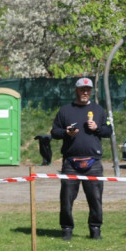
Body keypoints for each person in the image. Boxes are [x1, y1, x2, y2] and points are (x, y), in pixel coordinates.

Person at [51, 77, 113, 241]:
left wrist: (97, 128)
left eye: (88, 90)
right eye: (82, 89)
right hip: (71, 162)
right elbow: (54, 132)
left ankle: (95, 229)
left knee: (95, 199)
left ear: (91, 91)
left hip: (93, 162)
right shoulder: (65, 111)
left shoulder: (98, 110)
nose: (85, 92)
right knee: (66, 200)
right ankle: (66, 230)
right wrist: (66, 132)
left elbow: (109, 131)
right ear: (76, 90)